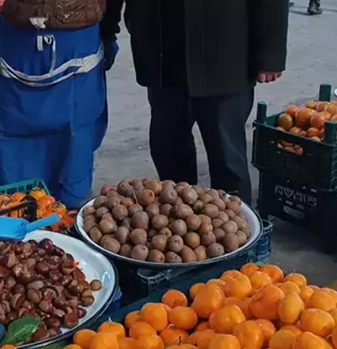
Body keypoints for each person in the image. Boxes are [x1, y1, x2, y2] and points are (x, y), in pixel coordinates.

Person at [100, 0, 289, 203]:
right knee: (168, 150)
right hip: (162, 49)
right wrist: (106, 26)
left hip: (224, 50)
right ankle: (179, 219)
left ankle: (238, 224)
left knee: (227, 157)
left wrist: (271, 52)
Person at [0, 0, 118, 209]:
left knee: (72, 131)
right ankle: (52, 210)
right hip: (32, 34)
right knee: (65, 130)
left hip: (68, 33)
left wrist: (110, 27)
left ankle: (29, 208)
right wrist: (110, 27)